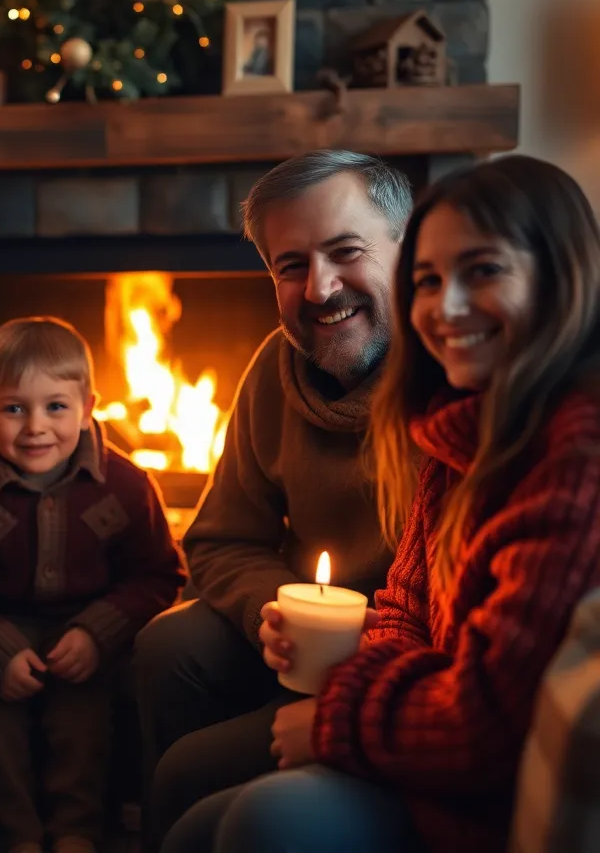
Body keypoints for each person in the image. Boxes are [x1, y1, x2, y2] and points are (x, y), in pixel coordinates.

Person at [183, 155, 600, 853]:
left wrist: (336, 717)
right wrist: (286, 615)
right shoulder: (457, 419)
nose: (447, 306)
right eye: (432, 281)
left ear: (561, 275)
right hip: (385, 689)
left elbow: (490, 718)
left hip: (448, 763)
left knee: (256, 822)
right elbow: (406, 602)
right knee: (187, 791)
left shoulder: (570, 457)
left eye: (484, 271)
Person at [133, 149, 412, 850]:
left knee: (183, 776)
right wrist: (279, 609)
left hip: (404, 657)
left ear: (407, 250)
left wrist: (357, 665)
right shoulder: (272, 371)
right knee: (170, 643)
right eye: (291, 266)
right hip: (297, 639)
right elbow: (222, 539)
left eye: (345, 251)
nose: (319, 288)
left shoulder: (449, 382)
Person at [0, 316, 185, 853]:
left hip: (87, 635)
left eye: (56, 407)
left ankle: (76, 832)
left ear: (88, 407)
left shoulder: (127, 485)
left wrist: (97, 634)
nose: (35, 426)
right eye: (14, 408)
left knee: (83, 723)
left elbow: (159, 574)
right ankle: (17, 836)